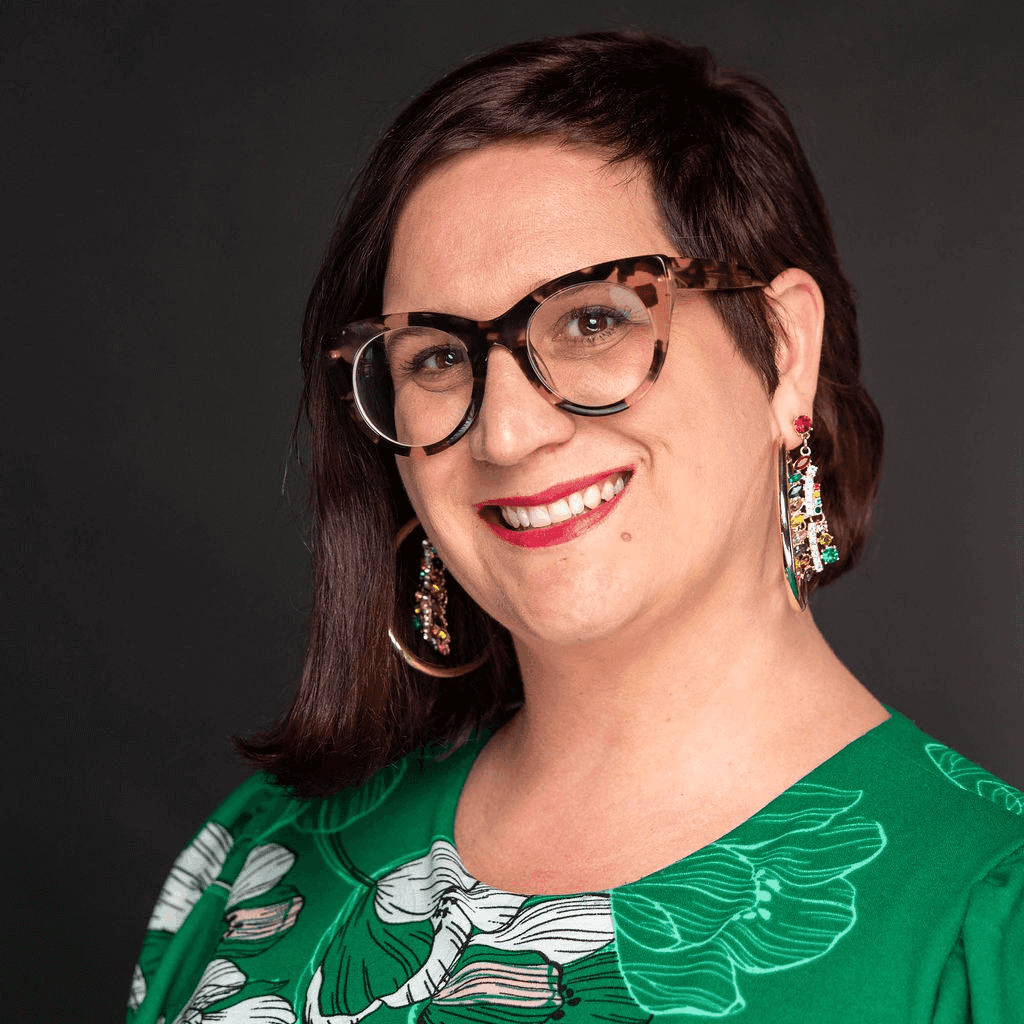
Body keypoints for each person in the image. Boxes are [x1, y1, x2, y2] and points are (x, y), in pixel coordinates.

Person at [127, 32, 1023, 1024]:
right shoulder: (258, 858)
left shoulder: (987, 928)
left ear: (783, 350)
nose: (506, 431)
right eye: (434, 357)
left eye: (592, 321)